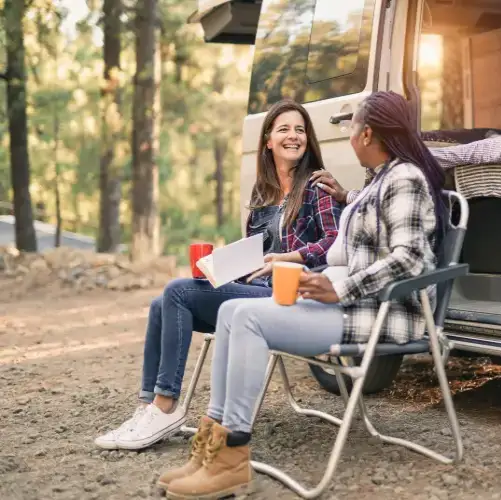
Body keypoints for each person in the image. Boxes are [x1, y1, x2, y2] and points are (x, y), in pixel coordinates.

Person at [156, 91, 448, 499]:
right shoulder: (380, 180)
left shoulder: (405, 179)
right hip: (348, 301)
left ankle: (231, 458)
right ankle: (212, 450)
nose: (347, 136)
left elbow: (412, 258)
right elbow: (359, 237)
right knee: (232, 312)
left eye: (350, 128)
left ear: (366, 133)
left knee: (248, 317)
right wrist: (344, 207)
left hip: (377, 311)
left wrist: (336, 285)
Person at [95, 100, 342, 451]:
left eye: (300, 130)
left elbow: (334, 243)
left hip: (289, 296)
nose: (293, 136)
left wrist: (292, 256)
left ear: (308, 139)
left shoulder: (318, 187)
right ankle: (148, 407)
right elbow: (256, 253)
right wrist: (222, 266)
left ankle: (165, 406)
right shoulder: (264, 193)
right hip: (255, 290)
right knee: (160, 303)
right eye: (284, 129)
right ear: (268, 141)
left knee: (176, 292)